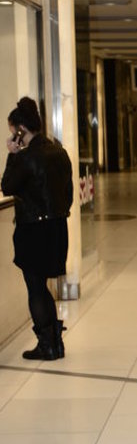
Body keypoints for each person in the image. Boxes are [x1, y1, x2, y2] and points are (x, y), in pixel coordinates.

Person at [1, 97, 73, 361]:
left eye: (12, 131)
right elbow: (68, 194)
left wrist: (12, 154)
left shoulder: (25, 157)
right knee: (41, 287)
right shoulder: (59, 152)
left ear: (20, 130)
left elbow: (7, 186)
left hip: (33, 230)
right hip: (57, 228)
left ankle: (48, 345)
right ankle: (54, 342)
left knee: (36, 287)